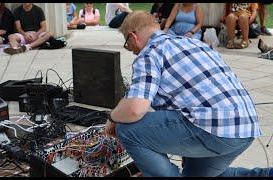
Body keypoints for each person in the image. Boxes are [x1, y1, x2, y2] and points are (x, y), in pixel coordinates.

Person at [105, 11, 272, 177]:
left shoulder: (149, 52)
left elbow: (135, 108)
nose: (132, 51)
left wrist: (113, 118)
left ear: (133, 37)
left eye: (128, 44)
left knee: (127, 129)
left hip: (214, 127)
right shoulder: (193, 43)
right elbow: (192, 98)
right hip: (246, 127)